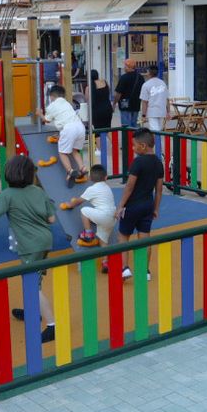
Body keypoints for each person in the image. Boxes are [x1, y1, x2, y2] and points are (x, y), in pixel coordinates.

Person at [0, 155, 58, 341]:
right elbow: (52, 219)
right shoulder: (38, 191)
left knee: (31, 284)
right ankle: (32, 310)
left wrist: (1, 207)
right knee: (35, 278)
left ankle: (52, 325)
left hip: (29, 244)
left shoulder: (7, 195)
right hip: (45, 240)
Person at [114, 129, 163, 279]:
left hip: (132, 205)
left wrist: (120, 206)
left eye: (134, 145)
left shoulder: (138, 162)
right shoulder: (158, 163)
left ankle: (124, 268)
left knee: (123, 235)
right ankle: (145, 271)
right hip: (148, 205)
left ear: (143, 146)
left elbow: (129, 186)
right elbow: (159, 190)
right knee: (145, 237)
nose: (133, 148)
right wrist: (156, 208)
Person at [61, 163, 118, 246]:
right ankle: (106, 255)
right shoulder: (107, 187)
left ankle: (88, 234)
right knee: (103, 242)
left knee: (84, 210)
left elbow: (79, 201)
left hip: (103, 216)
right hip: (112, 218)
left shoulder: (92, 189)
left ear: (90, 178)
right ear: (106, 177)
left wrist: (69, 205)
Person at [42, 83, 89, 183]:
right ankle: (83, 168)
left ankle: (70, 171)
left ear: (52, 96)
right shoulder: (67, 103)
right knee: (74, 150)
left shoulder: (52, 106)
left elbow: (46, 120)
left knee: (62, 152)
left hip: (68, 129)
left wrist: (39, 114)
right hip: (80, 127)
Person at [139, 65, 169, 133]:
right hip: (162, 111)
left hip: (152, 112)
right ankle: (158, 140)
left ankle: (157, 140)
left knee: (155, 131)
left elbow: (144, 102)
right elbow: (167, 99)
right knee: (159, 130)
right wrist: (168, 112)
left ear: (149, 73)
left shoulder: (146, 85)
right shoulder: (163, 83)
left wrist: (143, 115)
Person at [115, 59, 143, 129]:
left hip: (125, 105)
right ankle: (134, 136)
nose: (124, 68)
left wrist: (114, 103)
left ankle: (127, 136)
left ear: (128, 67)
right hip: (136, 104)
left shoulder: (124, 77)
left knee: (126, 126)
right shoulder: (140, 77)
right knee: (134, 125)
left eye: (125, 66)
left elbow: (118, 93)